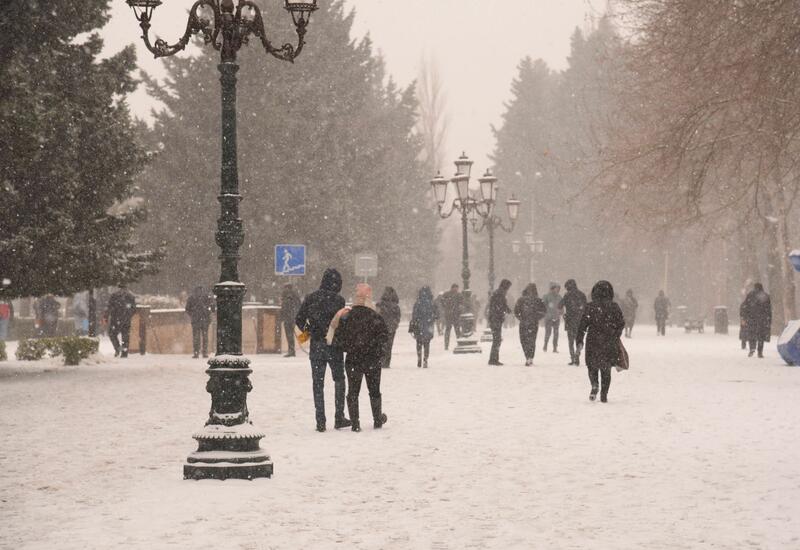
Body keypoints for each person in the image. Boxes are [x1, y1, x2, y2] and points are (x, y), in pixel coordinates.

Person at [295, 268, 350, 432]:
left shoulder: (311, 298)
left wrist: (309, 332)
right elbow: (342, 323)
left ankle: (320, 421)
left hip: (317, 345)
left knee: (317, 384)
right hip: (334, 345)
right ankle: (339, 417)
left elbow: (299, 319)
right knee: (339, 379)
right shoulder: (339, 300)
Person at [333, 284, 389, 432]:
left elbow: (338, 338)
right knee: (374, 390)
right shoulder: (376, 317)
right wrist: (378, 351)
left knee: (353, 391)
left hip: (353, 359)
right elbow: (384, 337)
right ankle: (377, 419)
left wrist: (350, 347)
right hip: (372, 359)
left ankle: (355, 423)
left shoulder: (346, 316)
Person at [576, 281, 626, 403]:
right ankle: (604, 394)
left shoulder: (590, 306)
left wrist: (579, 340)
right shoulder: (614, 306)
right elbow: (621, 323)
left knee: (592, 365)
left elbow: (582, 325)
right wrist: (615, 334)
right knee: (606, 368)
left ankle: (594, 384)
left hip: (593, 339)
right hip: (609, 340)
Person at [514, 283, 546, 366]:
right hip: (533, 323)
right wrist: (537, 317)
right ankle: (530, 357)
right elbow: (543, 311)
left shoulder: (521, 300)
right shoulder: (538, 300)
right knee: (532, 340)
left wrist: (521, 318)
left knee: (524, 340)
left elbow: (516, 311)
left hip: (524, 323)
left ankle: (528, 356)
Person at [560, 279, 588, 366]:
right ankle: (578, 352)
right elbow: (586, 307)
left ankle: (573, 357)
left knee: (571, 340)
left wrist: (564, 314)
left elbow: (559, 306)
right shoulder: (582, 294)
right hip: (580, 320)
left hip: (570, 320)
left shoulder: (567, 295)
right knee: (579, 338)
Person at [741, 283, 771, 358]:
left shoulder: (750, 295)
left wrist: (744, 317)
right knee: (761, 336)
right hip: (762, 319)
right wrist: (769, 320)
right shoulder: (765, 296)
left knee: (752, 333)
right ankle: (760, 352)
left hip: (751, 318)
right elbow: (768, 309)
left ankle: (752, 348)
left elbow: (745, 306)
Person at [409, 286, 437, 368]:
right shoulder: (431, 303)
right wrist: (431, 319)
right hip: (428, 325)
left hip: (419, 325)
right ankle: (425, 359)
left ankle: (419, 357)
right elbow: (436, 314)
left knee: (419, 342)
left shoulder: (418, 303)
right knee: (427, 343)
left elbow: (414, 315)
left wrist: (415, 322)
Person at [106, 285, 136, 358]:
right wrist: (128, 315)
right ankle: (124, 353)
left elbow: (109, 307)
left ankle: (118, 348)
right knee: (125, 337)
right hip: (126, 319)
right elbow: (134, 309)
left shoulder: (114, 295)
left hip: (115, 319)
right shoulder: (131, 296)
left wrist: (106, 316)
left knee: (112, 334)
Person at [185, 286, 215, 359]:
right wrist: (208, 311)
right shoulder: (206, 298)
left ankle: (198, 352)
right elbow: (213, 308)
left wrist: (193, 315)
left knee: (199, 337)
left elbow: (187, 309)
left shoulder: (192, 298)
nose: (200, 292)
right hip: (202, 320)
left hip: (198, 320)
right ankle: (203, 352)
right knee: (203, 337)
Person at [487, 279, 512, 366]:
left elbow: (500, 305)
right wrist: (507, 310)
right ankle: (493, 359)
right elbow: (500, 305)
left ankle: (494, 358)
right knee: (497, 340)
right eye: (508, 287)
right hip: (496, 319)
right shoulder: (500, 293)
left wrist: (506, 310)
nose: (508, 289)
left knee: (497, 339)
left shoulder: (498, 293)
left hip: (495, 318)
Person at [376, 287, 401, 368]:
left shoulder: (380, 304)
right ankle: (387, 362)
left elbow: (377, 315)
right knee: (389, 345)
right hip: (391, 328)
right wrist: (395, 324)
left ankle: (381, 361)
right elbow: (398, 317)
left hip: (381, 327)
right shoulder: (395, 306)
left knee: (381, 344)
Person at [279, 283, 302, 357]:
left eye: (285, 288)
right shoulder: (294, 295)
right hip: (291, 318)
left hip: (289, 318)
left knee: (289, 335)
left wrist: (282, 317)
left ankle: (291, 351)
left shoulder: (288, 296)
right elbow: (298, 306)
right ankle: (291, 350)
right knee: (290, 335)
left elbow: (285, 308)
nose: (284, 289)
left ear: (287, 288)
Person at [440, 284, 462, 350]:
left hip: (452, 314)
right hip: (453, 315)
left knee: (453, 330)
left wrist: (446, 306)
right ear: (452, 288)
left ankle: (450, 344)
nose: (456, 289)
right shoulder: (457, 295)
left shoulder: (449, 294)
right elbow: (442, 301)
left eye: (456, 288)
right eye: (455, 288)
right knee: (454, 330)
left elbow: (442, 301)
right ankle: (450, 345)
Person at [542, 283, 562, 352]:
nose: (557, 290)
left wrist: (561, 312)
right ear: (552, 289)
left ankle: (553, 347)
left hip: (554, 317)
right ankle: (547, 345)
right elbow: (543, 305)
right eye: (556, 288)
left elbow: (561, 306)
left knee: (553, 333)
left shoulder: (559, 297)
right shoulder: (547, 296)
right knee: (551, 332)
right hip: (550, 317)